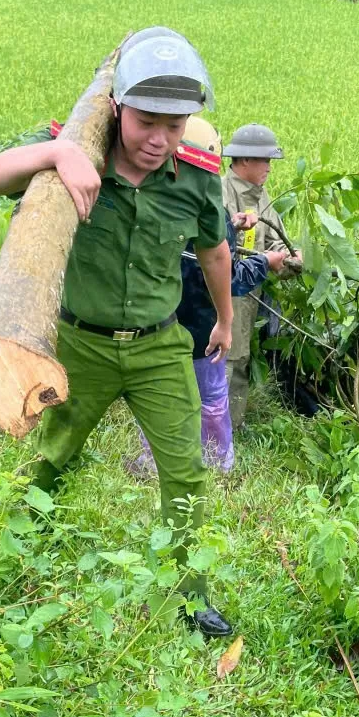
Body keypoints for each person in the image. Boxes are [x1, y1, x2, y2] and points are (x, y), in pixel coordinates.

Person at [0, 27, 235, 638]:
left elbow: (216, 249)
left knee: (185, 470)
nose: (159, 139)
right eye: (147, 121)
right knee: (53, 455)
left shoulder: (195, 177)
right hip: (80, 346)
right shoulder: (73, 161)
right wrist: (57, 154)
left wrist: (224, 318)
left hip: (160, 348)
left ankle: (190, 593)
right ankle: (19, 559)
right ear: (116, 108)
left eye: (175, 126)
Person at [128, 116, 289, 477]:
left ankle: (156, 461)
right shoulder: (209, 200)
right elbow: (222, 271)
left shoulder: (154, 196)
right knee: (208, 399)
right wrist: (265, 261)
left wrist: (232, 229)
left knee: (163, 393)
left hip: (163, 319)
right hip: (202, 320)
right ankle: (212, 464)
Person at [221, 123, 299, 429]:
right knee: (225, 360)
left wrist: (291, 258)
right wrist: (266, 260)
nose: (269, 167)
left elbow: (274, 240)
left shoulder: (261, 196)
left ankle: (231, 430)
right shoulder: (222, 195)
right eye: (264, 160)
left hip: (250, 294)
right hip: (225, 293)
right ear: (243, 161)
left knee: (239, 359)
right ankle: (214, 438)